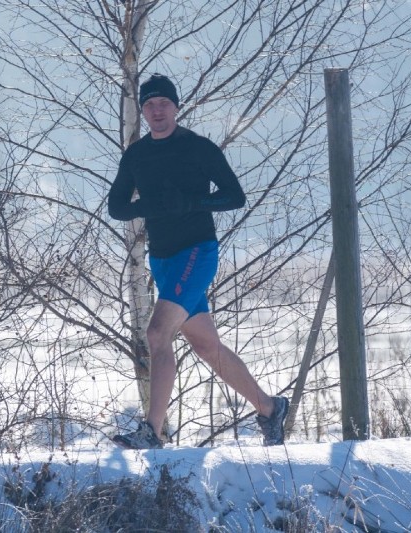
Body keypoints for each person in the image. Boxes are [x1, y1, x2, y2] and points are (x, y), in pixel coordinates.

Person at [107, 74, 288, 449]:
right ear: (142, 111)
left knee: (158, 334)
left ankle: (151, 432)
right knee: (207, 347)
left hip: (196, 251)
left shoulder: (197, 147)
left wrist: (192, 204)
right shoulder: (137, 155)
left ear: (176, 107)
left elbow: (234, 196)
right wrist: (148, 207)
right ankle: (270, 409)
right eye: (150, 104)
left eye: (164, 103)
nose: (157, 110)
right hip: (162, 259)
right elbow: (117, 206)